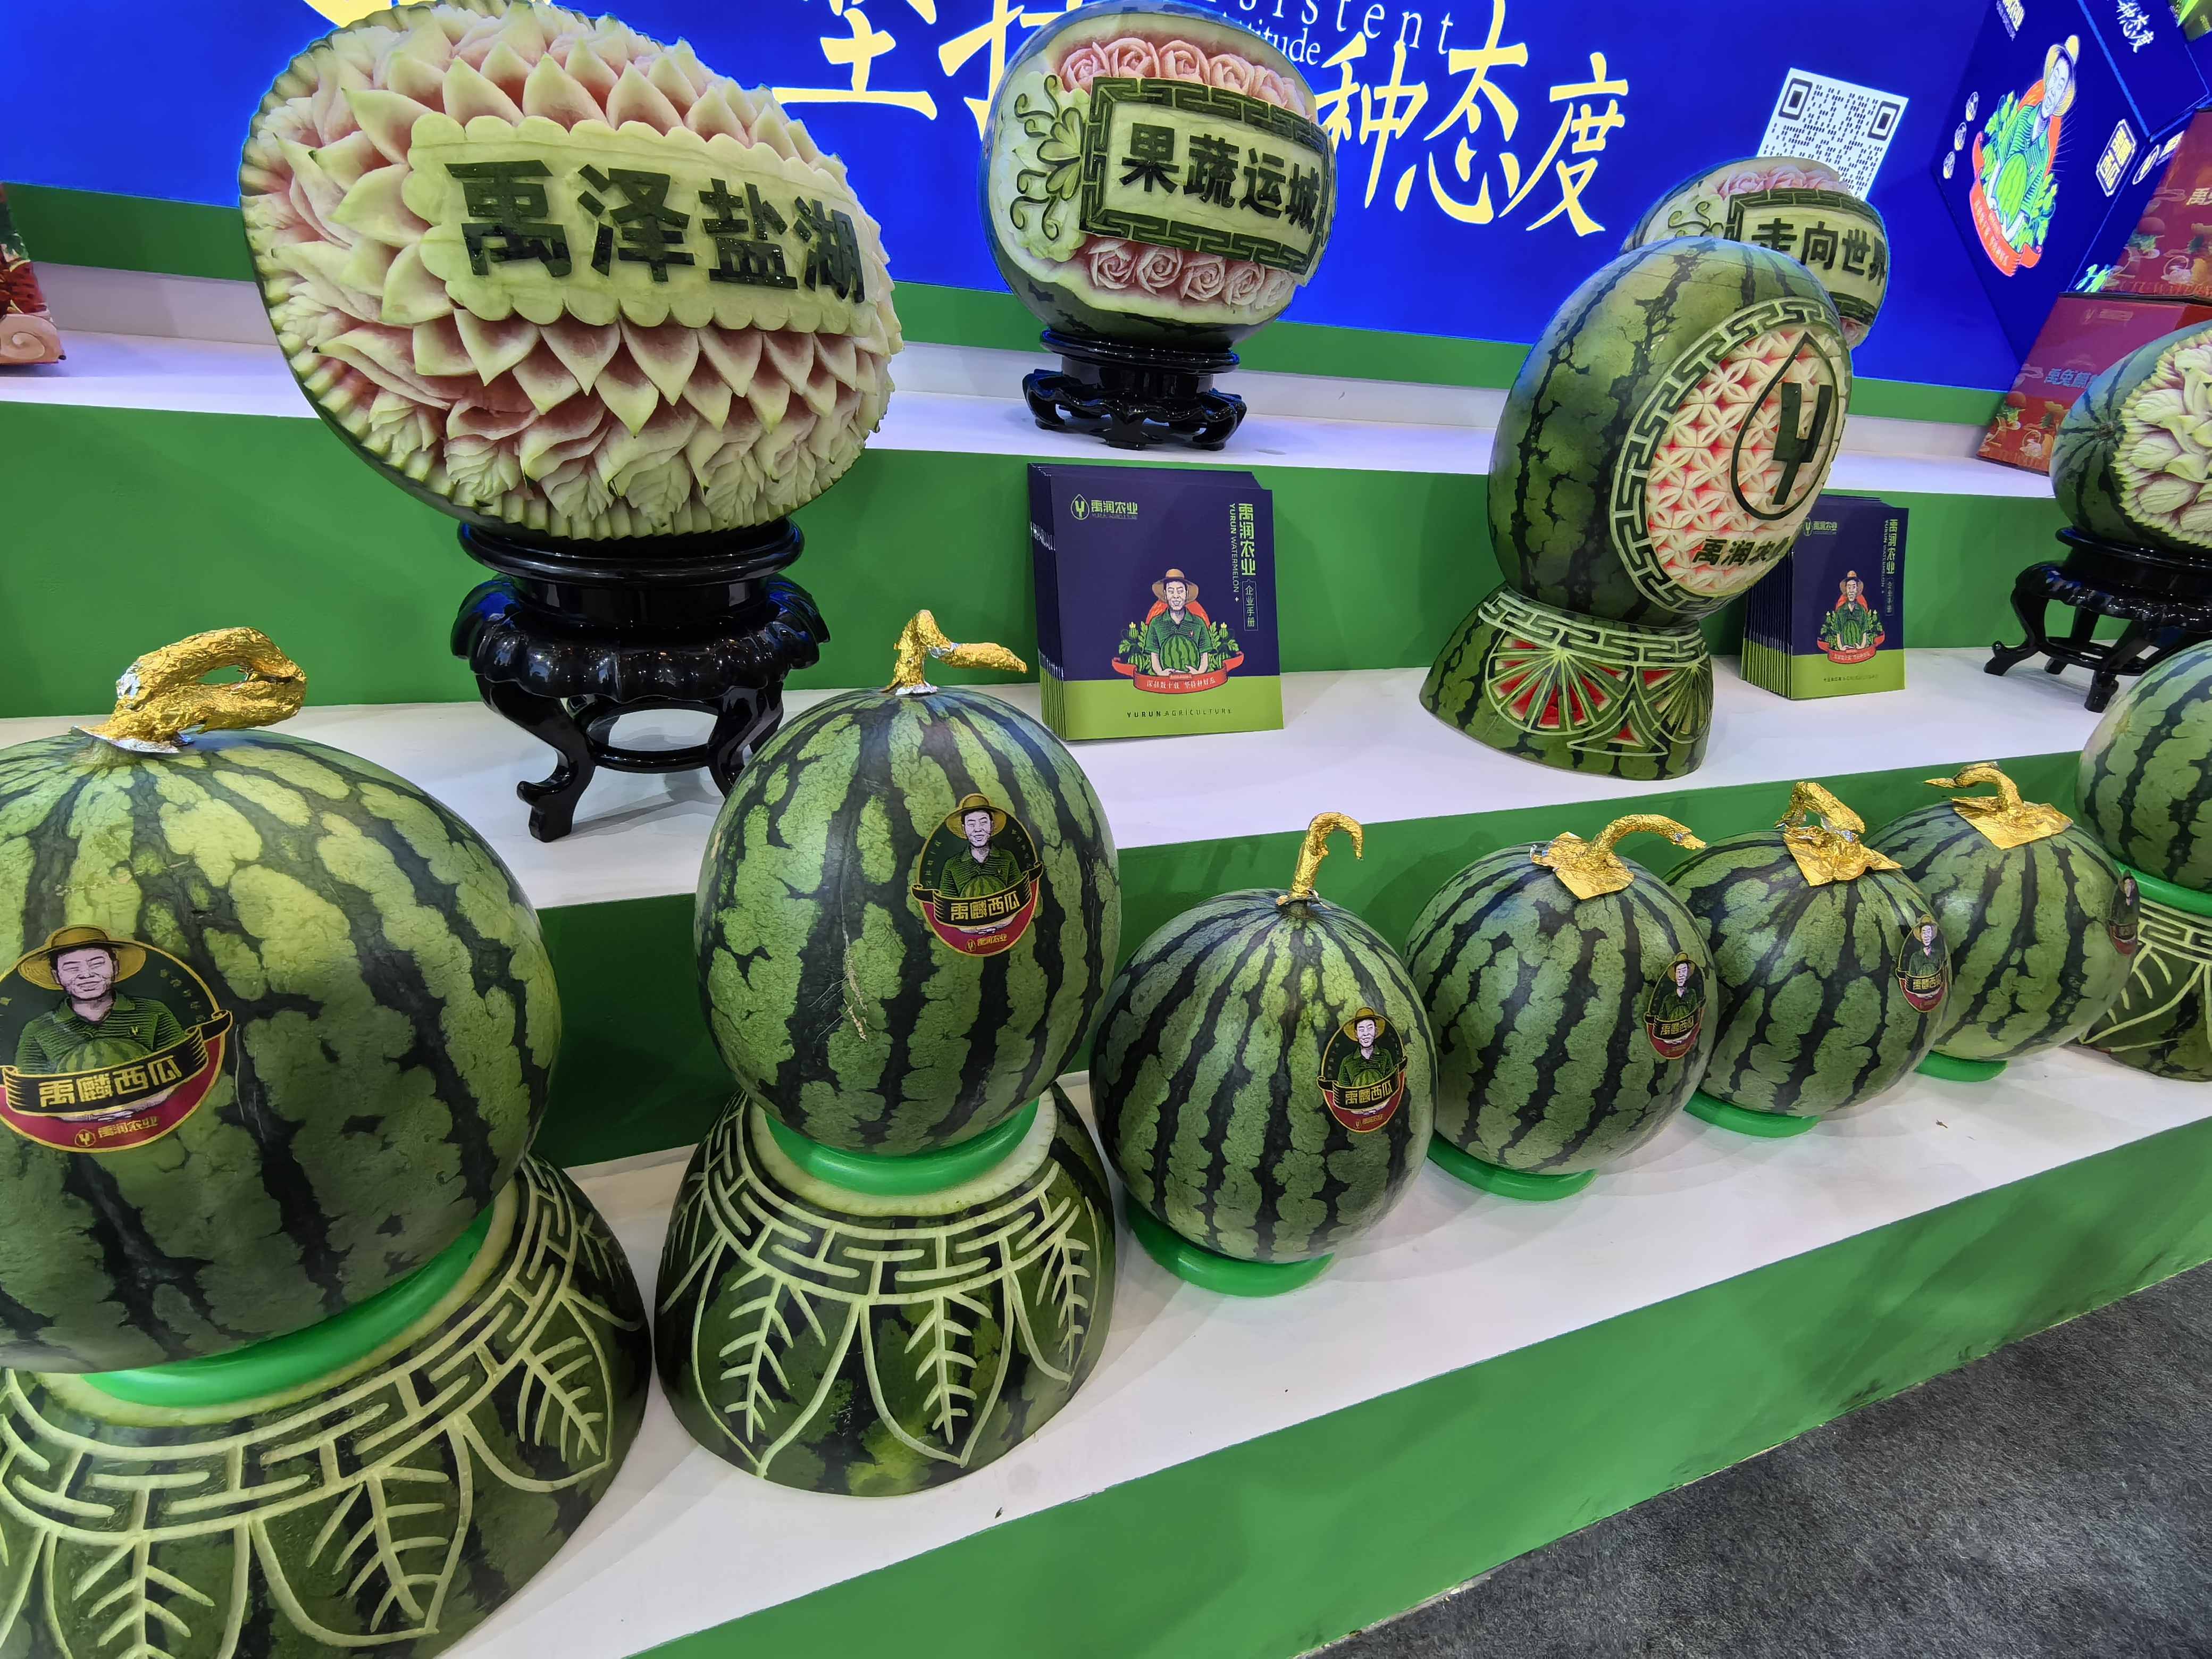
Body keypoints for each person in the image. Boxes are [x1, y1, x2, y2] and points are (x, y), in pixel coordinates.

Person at [11, 926, 186, 1078]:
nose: (86, 975)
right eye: (72, 968)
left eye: (97, 964)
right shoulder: (37, 1030)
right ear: (57, 977)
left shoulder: (154, 1013)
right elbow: (32, 1088)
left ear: (115, 967)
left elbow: (183, 1068)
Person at [939, 794, 1025, 898]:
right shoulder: (952, 865)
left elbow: (1019, 895)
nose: (978, 829)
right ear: (964, 828)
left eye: (983, 822)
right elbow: (947, 903)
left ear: (992, 825)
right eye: (971, 824)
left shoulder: (1007, 858)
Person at [1137, 569, 1213, 677]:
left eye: (1180, 591)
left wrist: (1197, 673)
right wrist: (1161, 673)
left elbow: (1204, 657)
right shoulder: (1156, 623)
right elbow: (1154, 657)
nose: (1176, 596)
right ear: (1165, 595)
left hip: (1193, 681)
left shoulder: (1199, 623)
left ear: (1187, 594)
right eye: (1171, 591)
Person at [1818, 571, 1884, 657]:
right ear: (1846, 590)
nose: (1851, 591)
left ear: (1857, 590)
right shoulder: (1841, 610)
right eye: (1849, 587)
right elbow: (1838, 631)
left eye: (1854, 587)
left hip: (1859, 647)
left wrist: (1862, 646)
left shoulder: (1861, 610)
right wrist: (1841, 647)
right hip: (1844, 648)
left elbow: (1864, 630)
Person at [1335, 1010, 1398, 1090]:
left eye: (1370, 1028)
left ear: (1376, 1031)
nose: (1366, 1034)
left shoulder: (1385, 1055)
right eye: (1362, 1030)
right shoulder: (1347, 1062)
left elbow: (1392, 1084)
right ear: (1356, 1034)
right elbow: (1343, 1091)